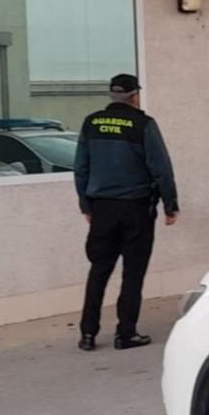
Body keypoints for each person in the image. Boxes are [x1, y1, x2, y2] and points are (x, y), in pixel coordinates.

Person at [74, 74, 179, 351]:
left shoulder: (92, 123)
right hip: (136, 208)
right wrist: (170, 205)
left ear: (112, 95)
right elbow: (161, 168)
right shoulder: (143, 124)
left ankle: (87, 334)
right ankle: (126, 333)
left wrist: (86, 205)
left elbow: (81, 167)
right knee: (133, 272)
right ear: (134, 95)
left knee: (99, 270)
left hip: (102, 208)